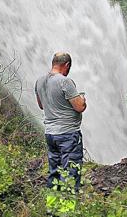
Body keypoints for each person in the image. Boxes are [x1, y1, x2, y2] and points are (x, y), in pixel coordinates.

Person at [35, 52, 87, 191]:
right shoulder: (65, 81)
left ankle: (53, 209)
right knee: (70, 173)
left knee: (55, 173)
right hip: (68, 135)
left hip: (50, 135)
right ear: (67, 65)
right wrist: (82, 97)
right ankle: (66, 211)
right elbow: (79, 107)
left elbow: (41, 105)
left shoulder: (39, 81)